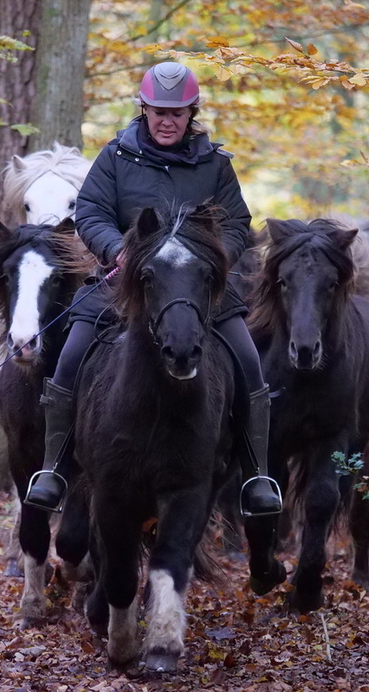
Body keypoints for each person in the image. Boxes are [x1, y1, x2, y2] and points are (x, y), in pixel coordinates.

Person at [24, 61, 282, 518]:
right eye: (158, 111)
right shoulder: (116, 158)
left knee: (247, 363)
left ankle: (256, 475)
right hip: (125, 282)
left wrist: (210, 257)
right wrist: (116, 250)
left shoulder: (216, 165)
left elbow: (239, 222)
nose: (167, 120)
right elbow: (90, 212)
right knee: (70, 356)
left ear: (191, 114)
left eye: (177, 113)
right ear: (143, 110)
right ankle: (54, 468)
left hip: (198, 288)